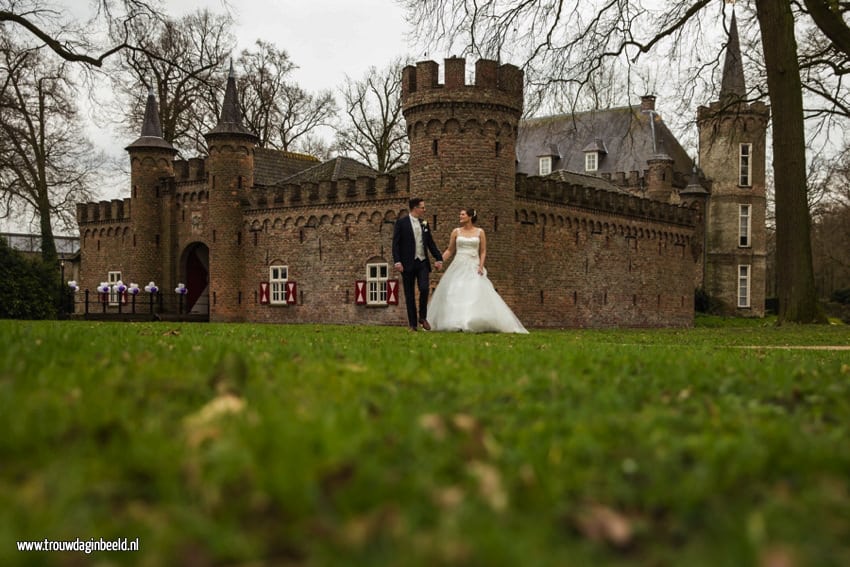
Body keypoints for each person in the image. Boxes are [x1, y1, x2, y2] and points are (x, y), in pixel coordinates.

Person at [427, 207, 528, 333]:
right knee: (456, 290)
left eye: (463, 214)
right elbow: (450, 250)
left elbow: (483, 251)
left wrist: (480, 265)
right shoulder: (456, 232)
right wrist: (440, 260)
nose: (460, 216)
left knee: (474, 290)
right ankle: (455, 321)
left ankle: (473, 320)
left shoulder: (480, 232)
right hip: (458, 264)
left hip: (473, 264)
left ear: (470, 217)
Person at [392, 197, 443, 331]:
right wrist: (397, 261)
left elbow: (430, 243)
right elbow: (395, 244)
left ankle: (423, 317)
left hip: (422, 262)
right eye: (422, 207)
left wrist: (439, 258)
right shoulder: (401, 223)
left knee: (424, 288)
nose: (424, 210)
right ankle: (413, 325)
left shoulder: (424, 223)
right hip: (407, 264)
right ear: (415, 208)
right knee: (409, 295)